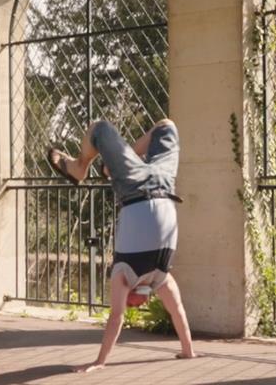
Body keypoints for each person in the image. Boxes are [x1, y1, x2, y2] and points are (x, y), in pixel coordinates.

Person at [48, 119, 197, 373]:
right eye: (140, 304)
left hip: (134, 187)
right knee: (167, 125)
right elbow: (178, 311)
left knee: (99, 130)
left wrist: (99, 361)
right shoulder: (161, 278)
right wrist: (188, 351)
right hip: (164, 183)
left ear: (128, 298)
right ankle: (114, 164)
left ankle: (78, 167)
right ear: (148, 298)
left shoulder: (124, 275)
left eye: (131, 304)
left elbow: (116, 318)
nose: (136, 303)